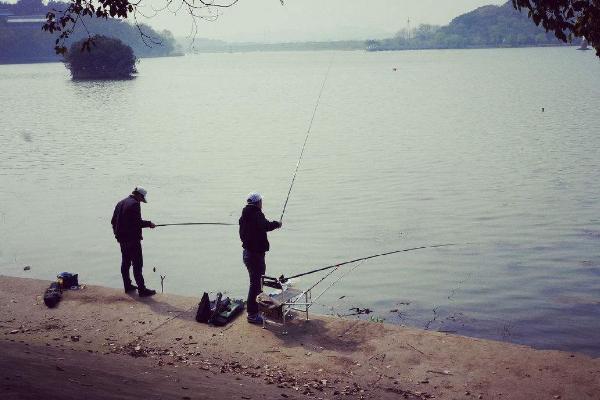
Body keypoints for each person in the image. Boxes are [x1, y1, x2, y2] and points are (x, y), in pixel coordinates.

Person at [239, 192, 282, 324]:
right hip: (255, 256)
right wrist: (277, 224)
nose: (262, 204)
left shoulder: (244, 215)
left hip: (247, 254)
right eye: (261, 201)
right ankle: (252, 315)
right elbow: (266, 226)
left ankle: (254, 310)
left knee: (255, 283)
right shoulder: (256, 214)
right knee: (256, 284)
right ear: (258, 203)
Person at [111, 187, 157, 297]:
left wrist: (117, 235)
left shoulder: (120, 202)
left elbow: (113, 221)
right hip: (132, 239)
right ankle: (142, 289)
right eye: (142, 198)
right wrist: (149, 223)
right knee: (137, 264)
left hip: (122, 239)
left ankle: (127, 285)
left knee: (125, 262)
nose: (141, 200)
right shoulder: (134, 204)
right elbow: (137, 223)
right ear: (139, 195)